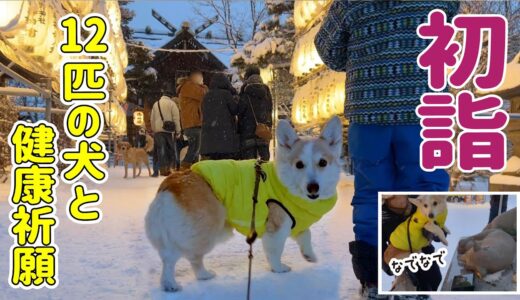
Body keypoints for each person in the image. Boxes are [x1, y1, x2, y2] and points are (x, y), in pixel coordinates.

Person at [315, 1, 459, 298]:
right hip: (424, 108)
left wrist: (363, 50)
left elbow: (327, 49)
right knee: (424, 192)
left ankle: (371, 281)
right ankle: (417, 276)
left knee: (371, 195)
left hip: (369, 108)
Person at [200, 73, 239, 160]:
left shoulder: (206, 96)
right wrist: (235, 98)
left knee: (214, 163)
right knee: (225, 164)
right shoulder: (226, 95)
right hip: (225, 136)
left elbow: (203, 110)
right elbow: (235, 110)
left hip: (209, 137)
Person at [238, 65, 273, 161]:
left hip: (247, 132)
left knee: (249, 165)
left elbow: (240, 111)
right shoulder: (266, 90)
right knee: (264, 163)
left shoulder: (244, 91)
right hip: (262, 131)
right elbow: (269, 109)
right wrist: (268, 126)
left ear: (247, 77)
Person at [178, 70, 208, 168]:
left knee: (195, 150)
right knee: (194, 149)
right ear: (192, 77)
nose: (201, 79)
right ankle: (184, 169)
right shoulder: (188, 86)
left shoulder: (189, 86)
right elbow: (204, 95)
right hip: (192, 122)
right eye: (199, 77)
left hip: (193, 122)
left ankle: (192, 171)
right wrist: (203, 86)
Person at [150, 90, 181, 177]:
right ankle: (169, 168)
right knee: (171, 150)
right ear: (170, 96)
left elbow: (152, 119)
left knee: (158, 151)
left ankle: (157, 171)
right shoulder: (172, 104)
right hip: (169, 131)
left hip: (158, 131)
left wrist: (154, 129)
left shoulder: (156, 104)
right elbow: (176, 119)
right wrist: (178, 131)